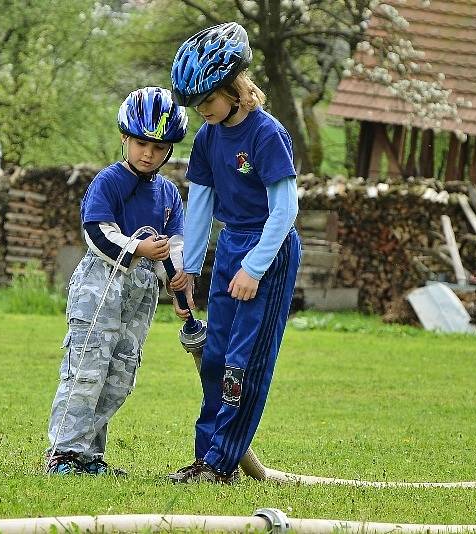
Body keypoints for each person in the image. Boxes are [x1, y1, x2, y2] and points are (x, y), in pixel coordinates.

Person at [168, 22, 301, 484]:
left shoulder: (267, 135)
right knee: (215, 356)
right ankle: (206, 457)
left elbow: (285, 211)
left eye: (207, 100)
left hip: (269, 247)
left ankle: (221, 464)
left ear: (232, 87)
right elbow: (200, 207)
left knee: (244, 361)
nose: (202, 111)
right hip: (231, 245)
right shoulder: (207, 138)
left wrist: (255, 268)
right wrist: (188, 270)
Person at [45, 87, 189, 476]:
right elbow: (96, 231)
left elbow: (176, 245)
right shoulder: (109, 182)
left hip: (140, 291)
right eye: (141, 143)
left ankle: (88, 456)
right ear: (125, 138)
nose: (149, 153)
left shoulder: (168, 194)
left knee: (119, 374)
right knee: (87, 369)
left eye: (159, 148)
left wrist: (181, 287)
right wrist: (138, 248)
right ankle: (63, 454)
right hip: (101, 284)